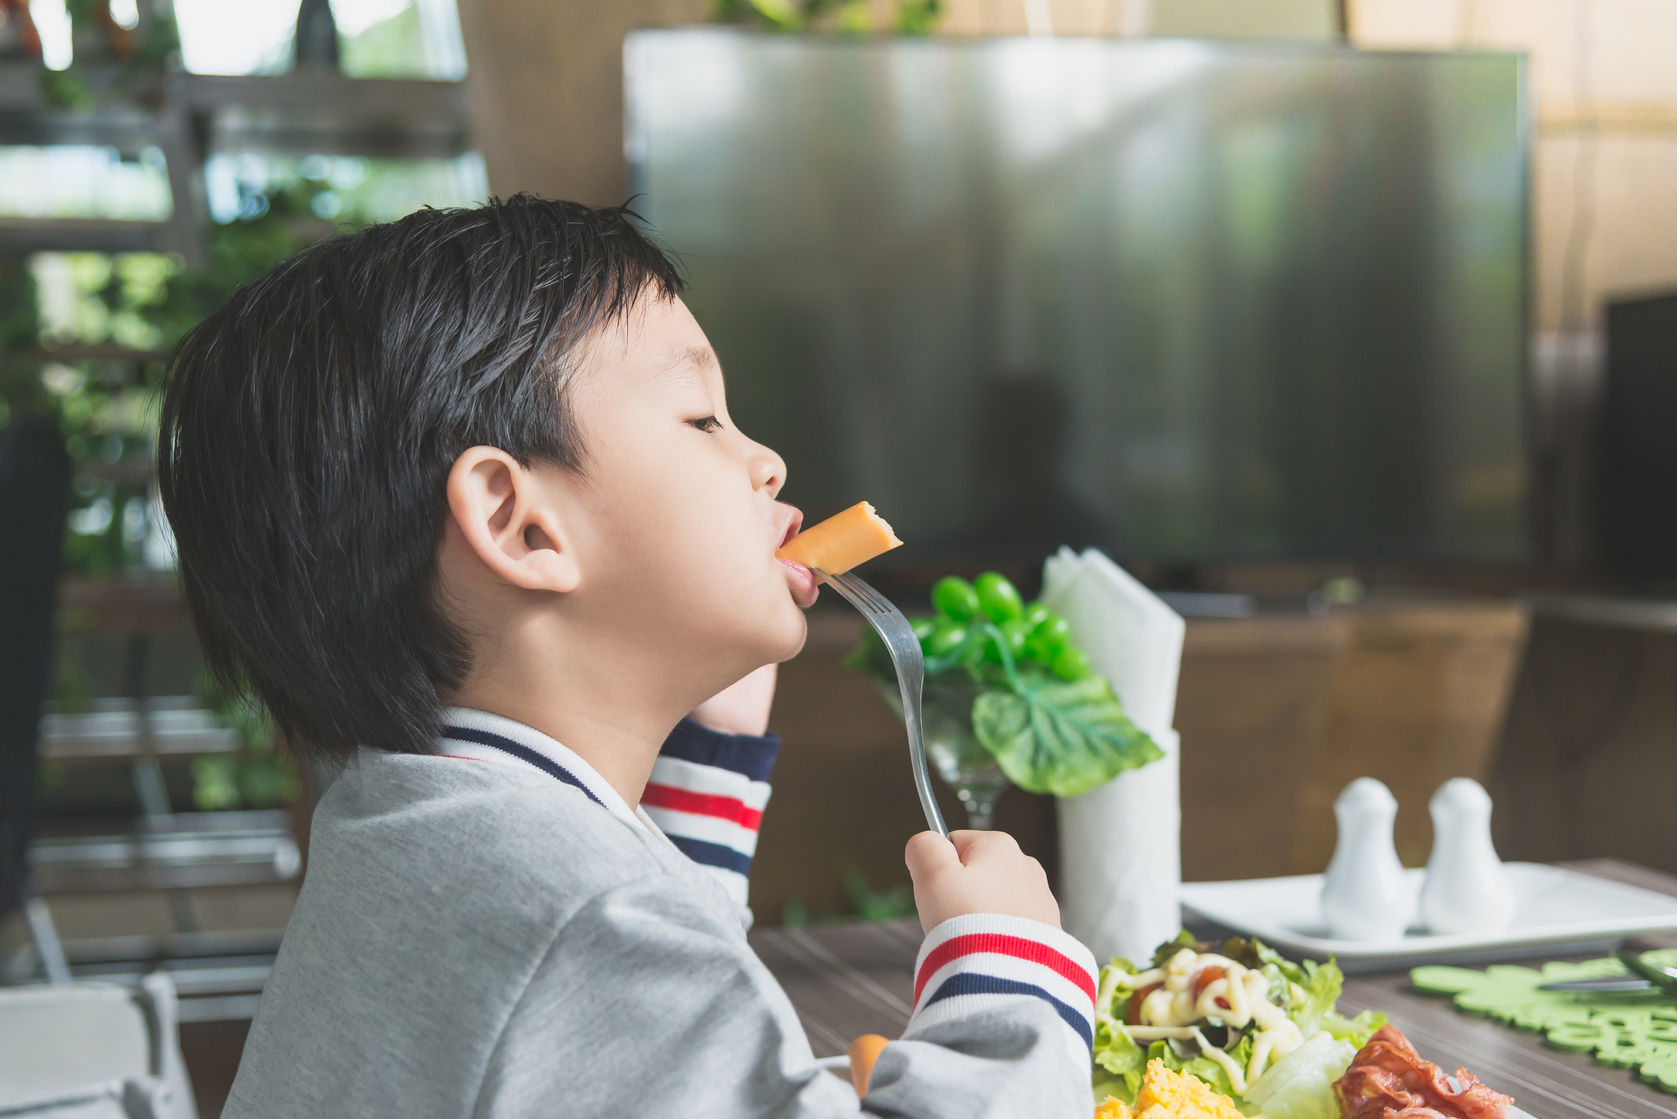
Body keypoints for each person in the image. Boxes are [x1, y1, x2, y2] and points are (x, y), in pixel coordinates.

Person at [156, 196, 1098, 1117]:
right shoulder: (587, 924)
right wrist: (1007, 970)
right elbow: (614, 961)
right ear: (519, 523)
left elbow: (624, 1055)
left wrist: (706, 779)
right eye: (701, 419)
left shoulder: (404, 827)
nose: (765, 460)